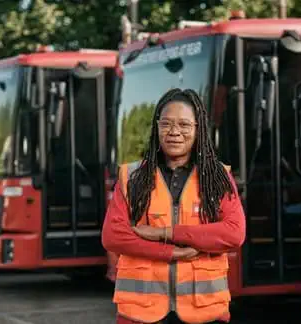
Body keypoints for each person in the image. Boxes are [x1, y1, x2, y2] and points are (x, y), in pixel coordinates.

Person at [102, 88, 246, 324]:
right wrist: (171, 252)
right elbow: (113, 236)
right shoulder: (132, 176)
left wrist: (164, 232)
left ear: (198, 129)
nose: (174, 132)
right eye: (166, 124)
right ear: (157, 128)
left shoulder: (217, 177)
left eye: (184, 125)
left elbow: (233, 233)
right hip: (142, 312)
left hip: (203, 311)